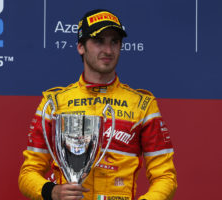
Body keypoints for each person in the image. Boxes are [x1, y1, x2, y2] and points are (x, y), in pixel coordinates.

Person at [19, 9, 177, 200]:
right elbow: (28, 173)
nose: (108, 50)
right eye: (99, 41)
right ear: (81, 46)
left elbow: (165, 177)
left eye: (114, 42)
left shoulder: (142, 105)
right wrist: (51, 191)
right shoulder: (54, 103)